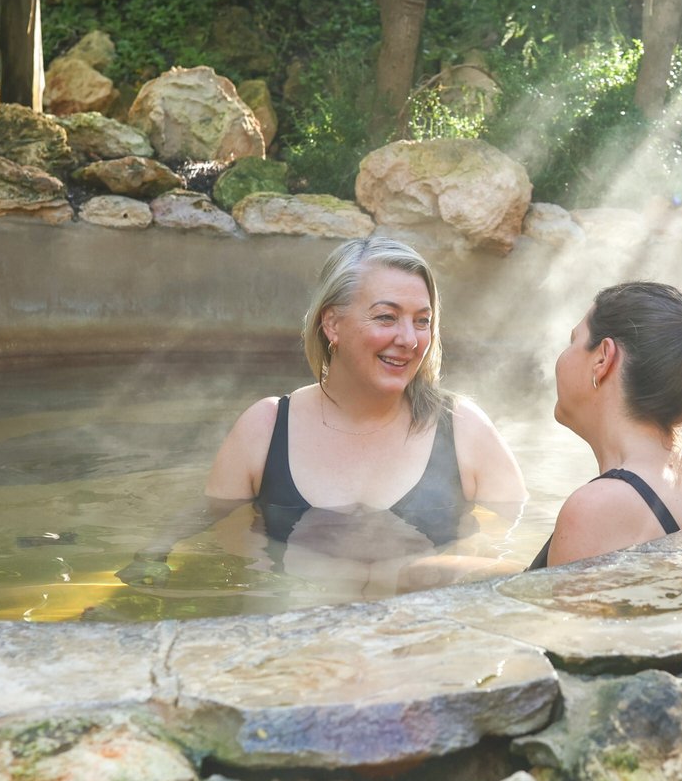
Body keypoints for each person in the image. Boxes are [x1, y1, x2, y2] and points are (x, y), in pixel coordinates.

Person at [120, 237, 528, 594]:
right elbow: (219, 529)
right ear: (332, 323)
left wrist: (452, 564)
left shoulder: (462, 428)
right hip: (298, 637)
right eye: (386, 317)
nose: (408, 339)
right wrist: (154, 554)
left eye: (422, 321)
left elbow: (520, 545)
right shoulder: (265, 428)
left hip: (420, 639)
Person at [531, 281, 682, 569]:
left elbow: (566, 616)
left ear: (602, 358)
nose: (560, 358)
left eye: (573, 341)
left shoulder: (598, 508)